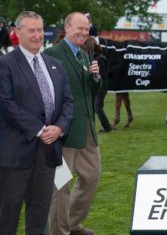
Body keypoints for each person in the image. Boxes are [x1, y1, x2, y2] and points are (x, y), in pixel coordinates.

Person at [0, 10, 73, 235]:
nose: (37, 35)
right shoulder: (6, 63)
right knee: (7, 215)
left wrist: (59, 127)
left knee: (40, 214)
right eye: (31, 30)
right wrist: (40, 130)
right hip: (15, 155)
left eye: (40, 30)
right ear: (17, 33)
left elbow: (68, 102)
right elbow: (5, 103)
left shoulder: (55, 64)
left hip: (48, 153)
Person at [44, 12, 101, 235]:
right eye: (80, 28)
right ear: (67, 27)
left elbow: (89, 92)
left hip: (87, 130)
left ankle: (73, 224)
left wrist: (96, 78)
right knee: (61, 185)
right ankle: (60, 231)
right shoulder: (52, 54)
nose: (84, 33)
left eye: (87, 29)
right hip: (63, 131)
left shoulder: (85, 55)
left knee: (92, 176)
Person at [83, 36, 113, 132]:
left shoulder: (100, 59)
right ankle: (102, 126)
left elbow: (103, 77)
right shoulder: (94, 58)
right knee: (95, 108)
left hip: (101, 88)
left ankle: (107, 127)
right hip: (96, 87)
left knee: (97, 108)